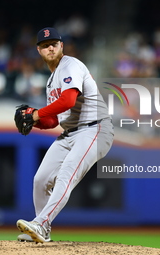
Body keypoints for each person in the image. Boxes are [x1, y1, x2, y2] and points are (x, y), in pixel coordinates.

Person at [16, 27, 114, 243]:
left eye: (54, 43)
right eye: (45, 45)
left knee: (66, 174)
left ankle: (40, 223)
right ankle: (43, 228)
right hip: (70, 133)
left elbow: (68, 100)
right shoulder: (51, 81)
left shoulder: (71, 65)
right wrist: (34, 121)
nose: (50, 47)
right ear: (38, 51)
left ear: (61, 46)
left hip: (95, 128)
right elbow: (54, 120)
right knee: (40, 180)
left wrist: (36, 114)